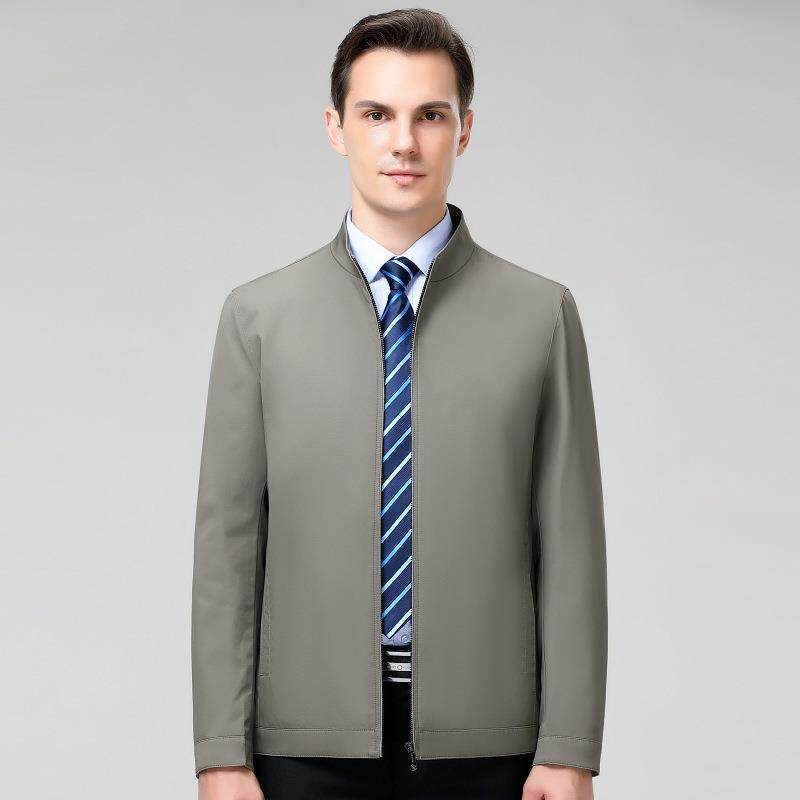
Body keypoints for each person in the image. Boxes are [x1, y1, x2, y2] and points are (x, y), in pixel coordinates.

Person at [191, 8, 607, 800]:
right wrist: (221, 754)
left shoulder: (540, 316)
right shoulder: (258, 319)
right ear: (336, 127)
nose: (404, 142)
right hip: (303, 749)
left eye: (431, 115)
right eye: (377, 114)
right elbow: (228, 551)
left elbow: (571, 544)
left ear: (465, 130)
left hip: (490, 746)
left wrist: (569, 748)